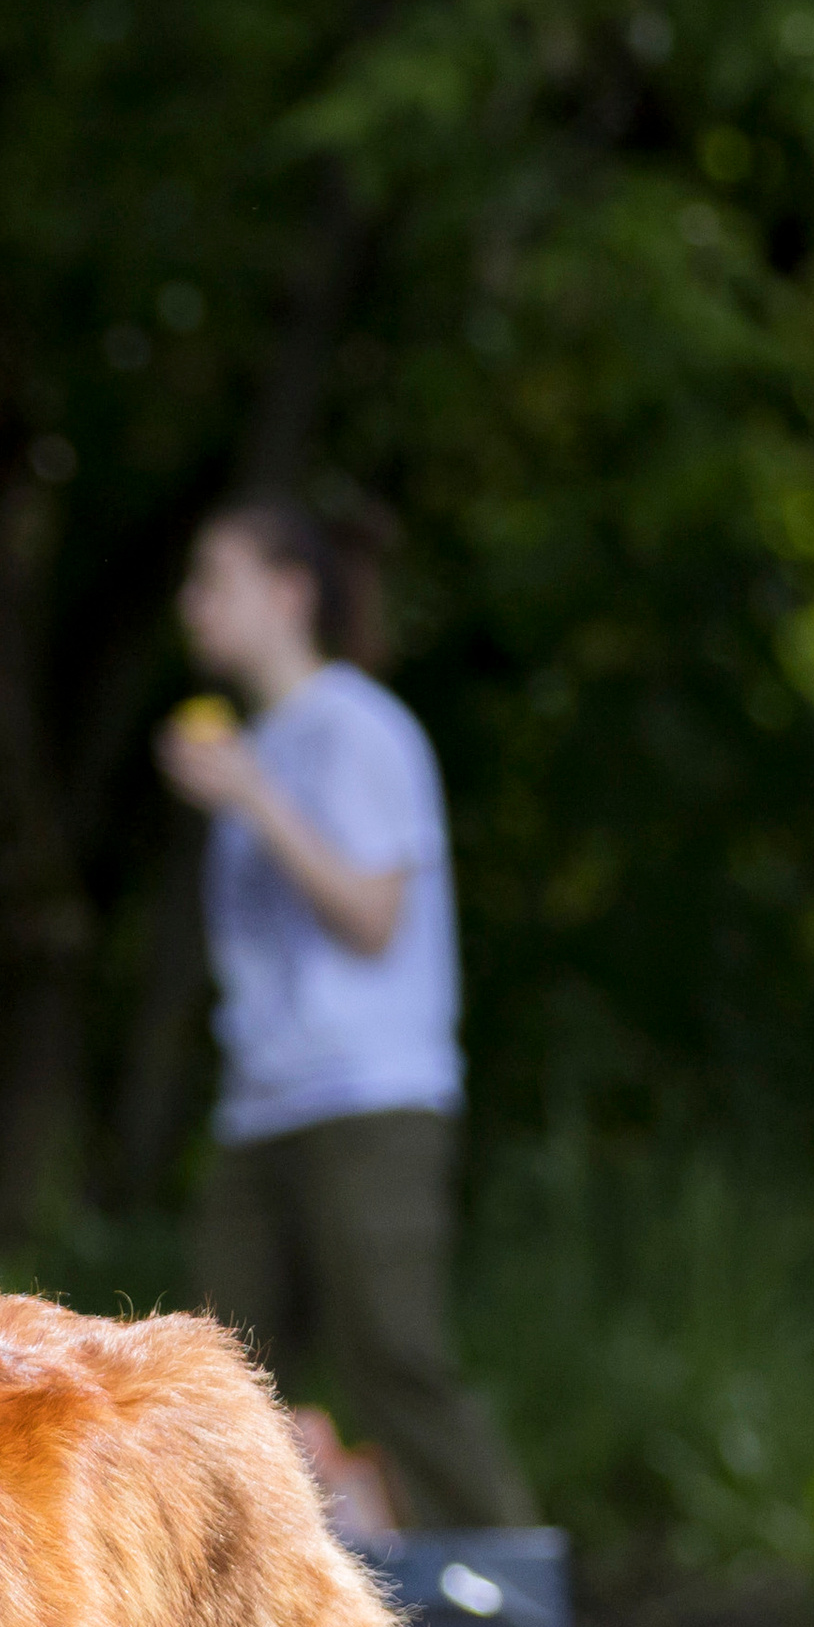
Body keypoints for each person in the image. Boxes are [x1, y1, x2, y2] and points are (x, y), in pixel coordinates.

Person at [157, 499, 529, 1532]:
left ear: (290, 594)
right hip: (260, 1103)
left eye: (212, 582)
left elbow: (372, 914)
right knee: (219, 1371)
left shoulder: (357, 729)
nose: (192, 606)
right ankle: (246, 1624)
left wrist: (254, 798)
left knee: (395, 1358)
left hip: (370, 1095)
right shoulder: (262, 741)